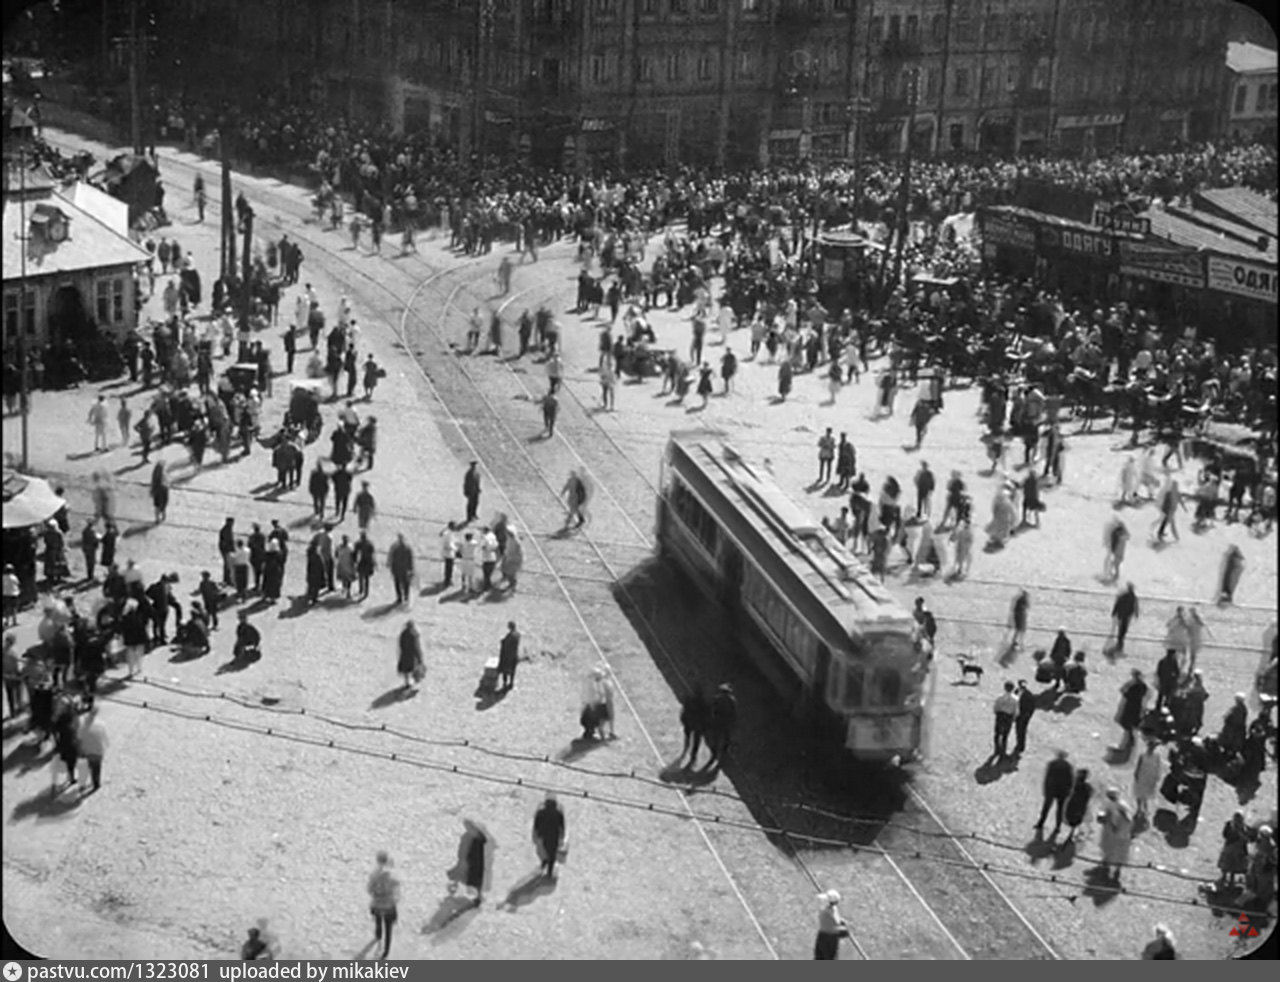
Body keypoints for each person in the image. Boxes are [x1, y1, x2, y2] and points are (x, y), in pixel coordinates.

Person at [449, 819, 494, 908]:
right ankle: (454, 891)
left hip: (477, 864)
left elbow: (485, 852)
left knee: (477, 881)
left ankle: (478, 898)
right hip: (469, 862)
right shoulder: (468, 837)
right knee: (461, 875)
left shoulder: (480, 839)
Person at [367, 852, 401, 961]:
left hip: (377, 904)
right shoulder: (393, 875)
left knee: (378, 920)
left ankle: (378, 935)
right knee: (388, 928)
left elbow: (369, 889)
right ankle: (385, 952)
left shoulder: (374, 875)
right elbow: (397, 893)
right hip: (389, 906)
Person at [1097, 788, 1133, 884]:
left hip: (1113, 834)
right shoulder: (1123, 806)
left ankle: (1107, 871)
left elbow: (1102, 817)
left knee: (1110, 851)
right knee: (1118, 853)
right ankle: (1115, 871)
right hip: (1120, 834)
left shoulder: (1111, 806)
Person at [1035, 750, 1075, 837]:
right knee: (1059, 810)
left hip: (1052, 789)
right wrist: (1069, 791)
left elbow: (1047, 778)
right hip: (1062, 790)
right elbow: (1071, 780)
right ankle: (1057, 827)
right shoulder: (1068, 766)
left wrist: (1045, 789)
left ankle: (1041, 823)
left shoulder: (1052, 764)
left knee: (1046, 808)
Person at [532, 794, 567, 880]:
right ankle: (549, 871)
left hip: (544, 834)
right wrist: (562, 834)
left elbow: (536, 824)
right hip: (554, 834)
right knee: (552, 852)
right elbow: (562, 825)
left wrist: (537, 832)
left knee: (544, 849)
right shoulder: (558, 813)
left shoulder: (541, 812)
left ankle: (545, 863)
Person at [77, 703, 108, 793]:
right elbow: (104, 738)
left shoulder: (82, 723)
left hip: (85, 751)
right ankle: (96, 784)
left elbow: (79, 738)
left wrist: (79, 750)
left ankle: (82, 784)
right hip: (97, 751)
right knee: (96, 768)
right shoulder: (101, 724)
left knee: (84, 768)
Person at [1115, 669, 1148, 751]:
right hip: (1137, 708)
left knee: (1126, 725)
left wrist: (1129, 683)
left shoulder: (1132, 686)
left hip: (1129, 708)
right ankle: (1130, 741)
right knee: (1132, 725)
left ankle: (1125, 744)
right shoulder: (1143, 686)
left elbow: (1123, 691)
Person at [1217, 810, 1251, 889]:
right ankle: (1224, 877)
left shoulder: (1244, 828)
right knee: (1225, 865)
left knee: (1234, 867)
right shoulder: (1229, 824)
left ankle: (1231, 880)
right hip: (1229, 848)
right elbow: (1225, 835)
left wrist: (1241, 833)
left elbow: (1247, 839)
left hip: (1238, 851)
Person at [813, 889, 850, 960]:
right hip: (827, 937)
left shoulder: (827, 911)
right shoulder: (832, 909)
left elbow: (833, 925)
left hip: (827, 938)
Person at [1132, 740, 1163, 822]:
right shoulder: (1142, 755)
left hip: (1150, 777)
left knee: (1145, 793)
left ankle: (1145, 809)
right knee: (1139, 792)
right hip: (1142, 775)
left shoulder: (1157, 756)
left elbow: (1158, 767)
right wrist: (1136, 774)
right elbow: (1138, 765)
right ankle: (1139, 808)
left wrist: (1157, 776)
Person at [1063, 768, 1094, 844]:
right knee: (1077, 819)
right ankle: (1075, 832)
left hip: (1074, 805)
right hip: (1079, 807)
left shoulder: (1075, 785)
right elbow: (1090, 794)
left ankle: (1076, 833)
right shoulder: (1087, 787)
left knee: (1073, 819)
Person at [1110, 583, 1139, 656]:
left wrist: (1114, 612)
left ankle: (1120, 643)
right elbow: (1135, 606)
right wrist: (1136, 613)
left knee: (1122, 630)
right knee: (1123, 630)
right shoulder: (1132, 597)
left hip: (1123, 615)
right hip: (1126, 616)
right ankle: (1120, 644)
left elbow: (1118, 604)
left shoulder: (1125, 596)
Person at [388, 533, 415, 605]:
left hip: (399, 569)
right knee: (403, 584)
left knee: (400, 584)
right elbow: (410, 560)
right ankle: (404, 597)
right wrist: (411, 569)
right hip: (402, 570)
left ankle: (401, 597)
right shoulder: (406, 548)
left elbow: (392, 558)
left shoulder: (396, 548)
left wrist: (391, 567)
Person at [992, 681, 1017, 759]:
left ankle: (997, 749)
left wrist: (997, 713)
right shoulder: (1015, 699)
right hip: (1008, 717)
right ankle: (1003, 750)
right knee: (1005, 735)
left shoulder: (1000, 697)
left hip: (1000, 715)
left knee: (997, 733)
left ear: (1004, 688)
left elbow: (995, 707)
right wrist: (1014, 718)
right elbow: (1016, 710)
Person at [397, 621, 424, 689]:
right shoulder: (414, 635)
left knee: (406, 670)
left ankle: (407, 683)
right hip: (412, 656)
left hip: (404, 654)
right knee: (414, 669)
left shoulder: (403, 634)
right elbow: (416, 647)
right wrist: (419, 656)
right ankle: (415, 682)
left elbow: (401, 644)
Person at [1013, 679, 1036, 755]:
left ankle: (1021, 746)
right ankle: (1018, 743)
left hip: (1024, 715)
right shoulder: (1016, 691)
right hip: (1017, 714)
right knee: (1017, 729)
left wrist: (1028, 715)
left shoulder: (1029, 695)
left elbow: (1032, 707)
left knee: (1022, 730)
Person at [498, 622, 520, 690]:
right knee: (513, 671)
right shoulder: (517, 634)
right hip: (514, 655)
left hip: (507, 657)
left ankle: (504, 684)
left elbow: (506, 644)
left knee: (505, 670)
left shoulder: (510, 636)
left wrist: (502, 641)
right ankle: (511, 683)